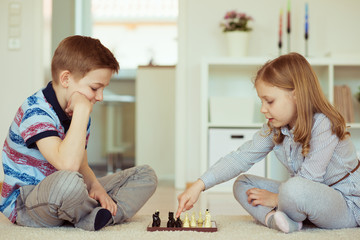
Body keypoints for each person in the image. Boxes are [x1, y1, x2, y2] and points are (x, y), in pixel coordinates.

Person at [176, 52, 360, 233]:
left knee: (294, 188)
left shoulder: (323, 123)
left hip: (346, 205)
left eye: (269, 101)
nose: (263, 109)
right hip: (302, 199)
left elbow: (309, 181)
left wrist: (276, 198)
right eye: (261, 101)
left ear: (296, 95)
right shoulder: (276, 127)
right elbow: (240, 158)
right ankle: (274, 220)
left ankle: (285, 209)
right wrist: (199, 185)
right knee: (243, 183)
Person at [0, 35, 157, 231]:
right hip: (27, 203)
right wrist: (82, 110)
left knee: (145, 175)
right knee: (69, 183)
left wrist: (96, 187)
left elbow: (81, 163)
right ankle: (92, 215)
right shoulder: (36, 110)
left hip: (69, 192)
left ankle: (95, 215)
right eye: (94, 88)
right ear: (66, 79)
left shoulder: (79, 113)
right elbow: (68, 165)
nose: (99, 97)